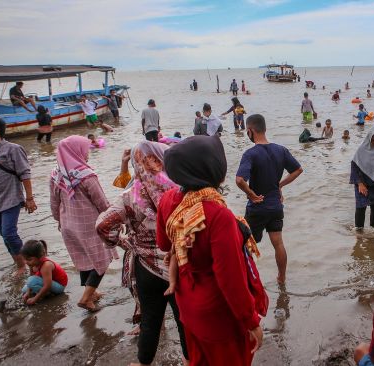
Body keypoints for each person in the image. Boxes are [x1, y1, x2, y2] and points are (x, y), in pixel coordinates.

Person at [157, 135, 267, 365]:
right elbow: (231, 279)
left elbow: (164, 244)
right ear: (213, 168)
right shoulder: (219, 215)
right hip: (219, 316)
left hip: (188, 305)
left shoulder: (169, 199)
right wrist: (251, 322)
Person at [96, 141, 189, 365]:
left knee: (150, 320)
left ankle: (143, 362)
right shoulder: (180, 189)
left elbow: (102, 225)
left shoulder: (130, 195)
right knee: (184, 319)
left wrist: (125, 243)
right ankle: (190, 360)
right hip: (177, 264)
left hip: (146, 265)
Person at [236, 114, 303, 284]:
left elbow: (239, 180)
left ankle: (248, 279)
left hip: (257, 208)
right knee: (278, 243)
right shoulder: (280, 150)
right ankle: (282, 277)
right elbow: (297, 170)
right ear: (264, 128)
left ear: (250, 131)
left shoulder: (250, 154)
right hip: (275, 206)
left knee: (247, 245)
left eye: (247, 131)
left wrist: (251, 194)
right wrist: (279, 185)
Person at [50, 136, 114, 312]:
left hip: (67, 224)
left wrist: (59, 221)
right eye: (85, 149)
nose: (87, 153)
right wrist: (113, 219)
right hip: (88, 225)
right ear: (76, 151)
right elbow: (101, 202)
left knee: (84, 259)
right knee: (102, 260)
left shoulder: (56, 174)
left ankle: (91, 292)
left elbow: (54, 203)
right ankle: (86, 298)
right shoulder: (86, 176)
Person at [0, 117, 37, 275]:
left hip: (11, 199)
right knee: (4, 235)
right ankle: (19, 262)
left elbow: (25, 173)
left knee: (9, 232)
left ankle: (25, 265)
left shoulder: (13, 149)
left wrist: (29, 198)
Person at [20, 239, 68, 305]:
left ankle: (48, 294)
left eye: (29, 259)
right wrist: (28, 292)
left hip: (59, 286)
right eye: (25, 259)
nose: (26, 262)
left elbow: (47, 285)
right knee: (24, 290)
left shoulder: (46, 265)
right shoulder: (31, 264)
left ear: (40, 256)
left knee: (31, 281)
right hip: (49, 282)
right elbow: (32, 277)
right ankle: (43, 293)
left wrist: (35, 299)